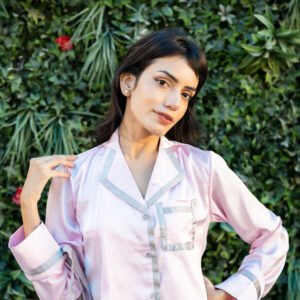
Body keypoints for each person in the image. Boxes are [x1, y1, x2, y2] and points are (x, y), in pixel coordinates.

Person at [8, 28, 288, 300]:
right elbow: (65, 294)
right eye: (163, 82)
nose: (173, 102)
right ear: (128, 83)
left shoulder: (203, 169)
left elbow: (272, 237)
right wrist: (29, 206)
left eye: (186, 94)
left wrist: (229, 294)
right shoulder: (77, 176)